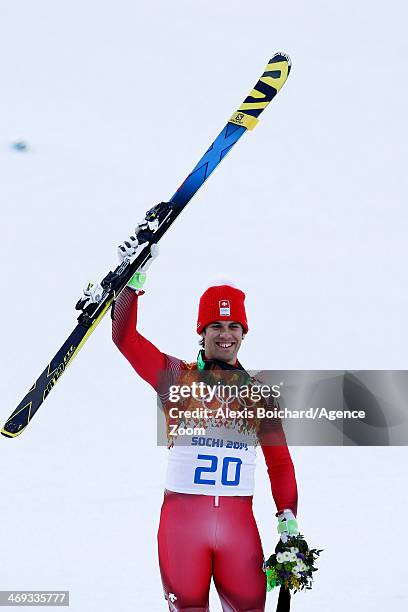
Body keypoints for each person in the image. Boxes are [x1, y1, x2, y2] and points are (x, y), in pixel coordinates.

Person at [111, 240, 298, 612]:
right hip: (182, 529)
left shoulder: (259, 395)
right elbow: (125, 339)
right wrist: (132, 282)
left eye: (234, 326)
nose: (225, 333)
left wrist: (288, 519)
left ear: (244, 333)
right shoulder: (176, 377)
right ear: (202, 330)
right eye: (216, 325)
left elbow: (280, 463)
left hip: (238, 531)